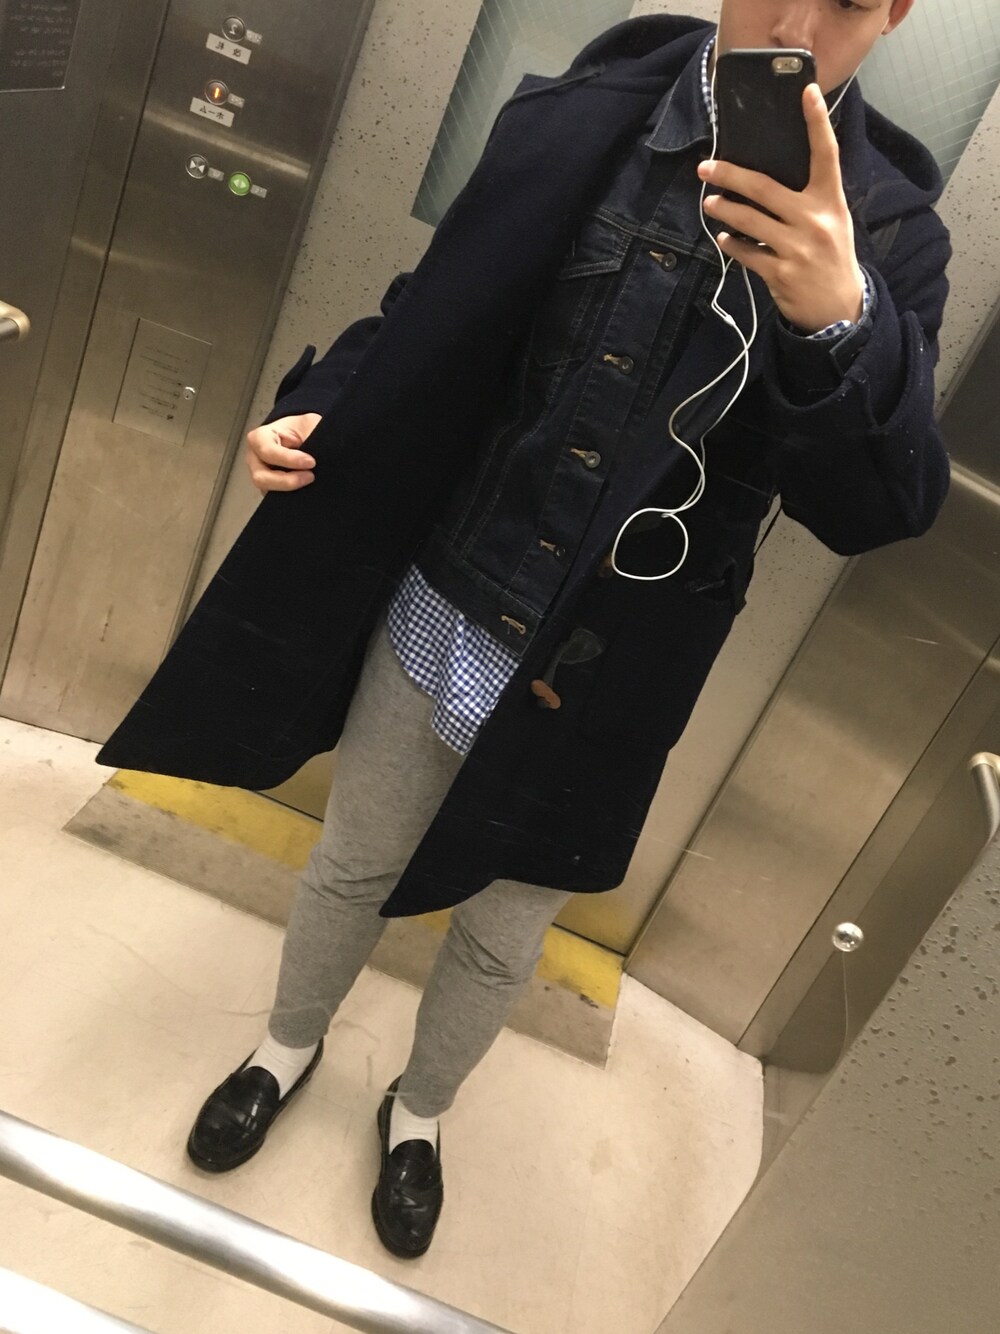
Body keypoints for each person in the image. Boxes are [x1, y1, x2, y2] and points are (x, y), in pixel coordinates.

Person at [98, 0, 950, 1259]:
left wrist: (839, 319)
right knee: (353, 859)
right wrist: (323, 400)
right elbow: (429, 311)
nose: (793, 19)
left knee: (503, 935)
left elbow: (878, 505)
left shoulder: (890, 236)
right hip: (453, 586)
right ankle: (283, 1046)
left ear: (894, 14)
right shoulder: (582, 118)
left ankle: (421, 1111)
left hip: (609, 668)